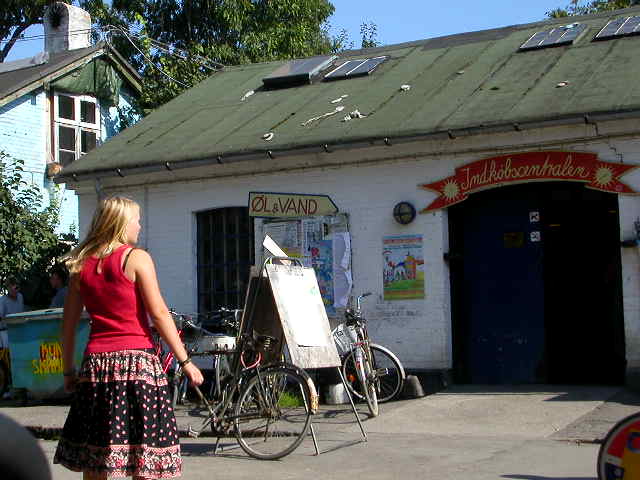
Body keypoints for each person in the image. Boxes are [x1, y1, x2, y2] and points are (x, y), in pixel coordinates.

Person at [53, 196, 203, 480]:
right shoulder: (137, 258)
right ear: (121, 223)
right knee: (144, 454)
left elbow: (68, 325)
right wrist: (185, 361)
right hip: (137, 365)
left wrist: (68, 371)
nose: (139, 225)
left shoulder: (80, 265)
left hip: (96, 368)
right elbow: (158, 313)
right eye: (136, 219)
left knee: (96, 456)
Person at [0, 278, 24, 349]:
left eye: (16, 288)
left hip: (19, 329)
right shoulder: (2, 301)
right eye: (11, 288)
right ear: (8, 288)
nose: (15, 290)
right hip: (6, 332)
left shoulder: (20, 296)